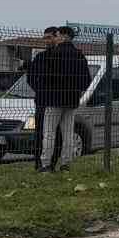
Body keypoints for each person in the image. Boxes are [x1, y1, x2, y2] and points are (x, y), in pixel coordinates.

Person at [40, 24, 92, 173]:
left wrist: (49, 89)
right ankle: (65, 164)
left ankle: (46, 164)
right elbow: (86, 80)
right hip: (71, 99)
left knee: (49, 133)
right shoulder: (79, 55)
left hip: (54, 99)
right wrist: (77, 90)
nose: (55, 38)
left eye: (57, 35)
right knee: (68, 133)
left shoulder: (54, 54)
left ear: (63, 36)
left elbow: (45, 76)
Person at [25, 27, 61, 170]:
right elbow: (30, 77)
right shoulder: (40, 57)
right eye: (45, 38)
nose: (47, 41)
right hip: (42, 100)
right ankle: (39, 162)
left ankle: (53, 162)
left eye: (49, 37)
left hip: (58, 101)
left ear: (57, 37)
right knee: (40, 132)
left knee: (56, 133)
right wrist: (40, 89)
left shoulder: (63, 57)